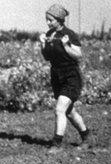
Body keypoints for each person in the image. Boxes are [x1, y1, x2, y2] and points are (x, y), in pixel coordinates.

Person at [39, 4, 92, 153]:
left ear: (59, 20)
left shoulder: (69, 34)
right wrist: (43, 44)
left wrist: (66, 44)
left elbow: (78, 55)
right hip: (56, 76)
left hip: (71, 76)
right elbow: (47, 57)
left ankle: (56, 144)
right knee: (69, 111)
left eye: (51, 20)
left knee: (59, 109)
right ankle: (87, 137)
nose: (48, 23)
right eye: (47, 20)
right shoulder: (49, 34)